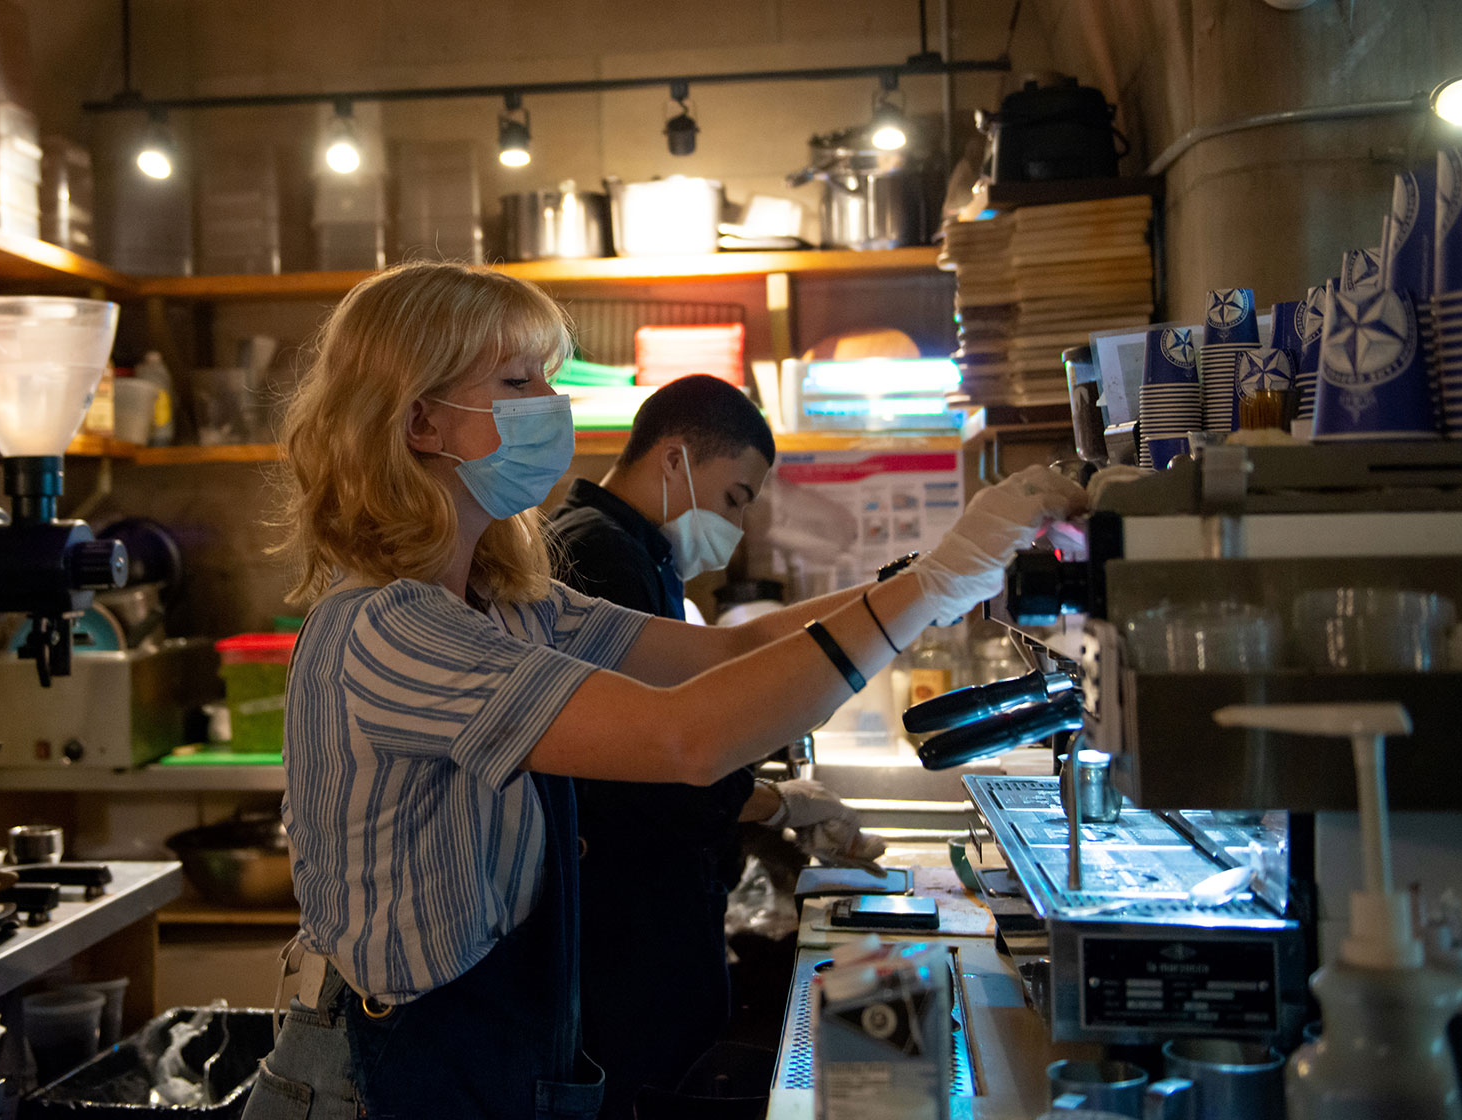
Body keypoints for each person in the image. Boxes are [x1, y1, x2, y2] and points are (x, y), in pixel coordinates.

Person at [243, 260, 1085, 1120]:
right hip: (377, 1079)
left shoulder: (512, 608)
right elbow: (687, 738)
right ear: (421, 419)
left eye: (548, 378)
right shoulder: (389, 630)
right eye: (516, 379)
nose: (551, 403)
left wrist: (939, 571)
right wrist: (937, 587)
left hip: (489, 1055)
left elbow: (733, 649)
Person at [550, 373, 875, 1118]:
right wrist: (777, 803)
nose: (734, 524)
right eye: (735, 497)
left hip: (650, 931)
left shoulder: (637, 553)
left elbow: (726, 666)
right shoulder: (598, 559)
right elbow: (656, 766)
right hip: (619, 943)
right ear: (674, 460)